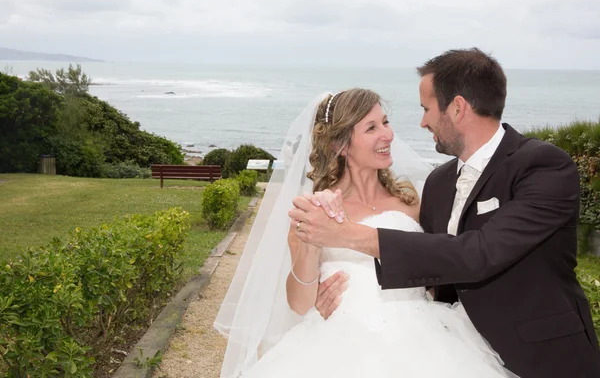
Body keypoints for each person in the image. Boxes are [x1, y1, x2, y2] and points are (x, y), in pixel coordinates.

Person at [289, 48, 600, 378]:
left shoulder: (543, 166)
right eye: (372, 127)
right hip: (434, 349)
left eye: (426, 109)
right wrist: (337, 301)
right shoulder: (437, 185)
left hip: (543, 360)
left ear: (457, 108)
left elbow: (479, 253)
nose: (420, 122)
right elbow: (440, 277)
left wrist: (347, 236)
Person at [215, 87, 517, 377]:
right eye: (371, 128)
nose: (388, 135)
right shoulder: (315, 211)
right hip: (339, 346)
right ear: (341, 144)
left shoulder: (412, 203)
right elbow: (299, 303)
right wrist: (312, 248)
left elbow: (440, 269)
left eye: (385, 122)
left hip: (423, 343)